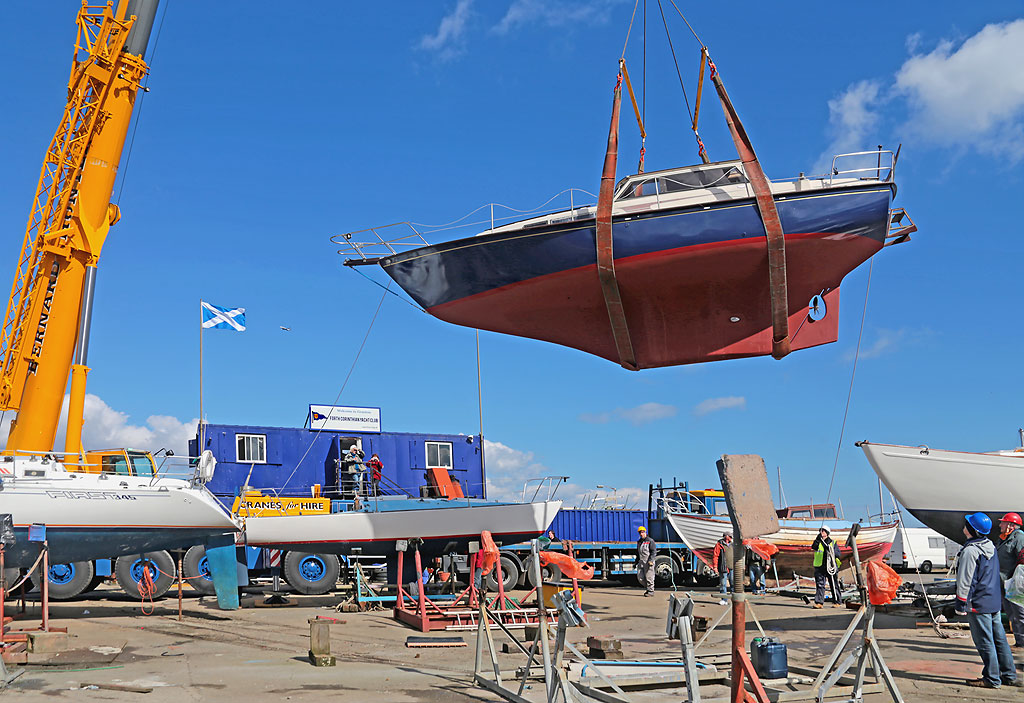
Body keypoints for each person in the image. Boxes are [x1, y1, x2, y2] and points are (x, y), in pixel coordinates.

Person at [956, 512, 1020, 689]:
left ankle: (991, 678)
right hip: (993, 601)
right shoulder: (990, 545)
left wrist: (961, 602)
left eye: (966, 525)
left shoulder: (970, 551)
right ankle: (1009, 674)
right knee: (1000, 640)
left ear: (971, 530)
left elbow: (965, 579)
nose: (963, 527)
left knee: (984, 642)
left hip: (978, 603)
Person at [996, 512, 1024, 648]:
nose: (1000, 524)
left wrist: (1017, 581)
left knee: (1019, 615)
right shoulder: (1004, 538)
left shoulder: (1019, 538)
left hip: (1015, 584)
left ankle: (1022, 643)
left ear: (1011, 525)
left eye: (1003, 522)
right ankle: (1019, 642)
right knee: (1012, 614)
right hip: (1005, 583)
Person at [811, 525, 842, 608]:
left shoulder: (832, 542)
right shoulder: (817, 542)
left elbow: (838, 554)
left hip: (830, 566)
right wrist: (817, 540)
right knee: (820, 585)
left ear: (827, 533)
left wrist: (830, 550)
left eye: (823, 531)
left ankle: (837, 601)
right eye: (820, 531)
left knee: (834, 584)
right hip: (820, 566)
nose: (821, 532)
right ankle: (819, 603)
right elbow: (813, 547)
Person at [635, 526, 657, 597]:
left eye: (642, 532)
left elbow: (653, 551)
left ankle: (651, 591)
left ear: (645, 532)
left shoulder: (650, 541)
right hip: (641, 561)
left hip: (648, 562)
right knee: (640, 577)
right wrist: (636, 561)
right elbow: (638, 552)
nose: (641, 534)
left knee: (649, 577)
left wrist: (651, 560)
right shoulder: (639, 542)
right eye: (640, 533)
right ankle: (648, 588)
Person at [712, 532, 733, 601]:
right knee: (723, 584)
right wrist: (715, 567)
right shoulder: (719, 545)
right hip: (723, 567)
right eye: (729, 537)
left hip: (732, 567)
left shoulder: (732, 545)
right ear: (725, 537)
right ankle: (724, 600)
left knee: (733, 583)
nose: (730, 538)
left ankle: (734, 599)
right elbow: (715, 556)